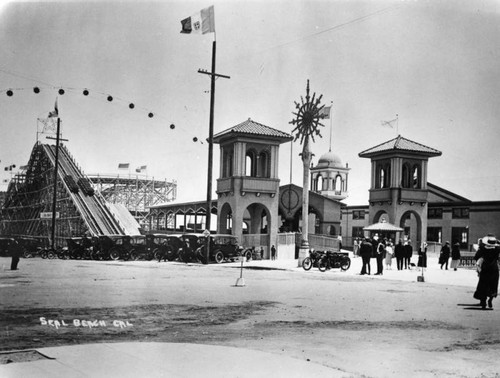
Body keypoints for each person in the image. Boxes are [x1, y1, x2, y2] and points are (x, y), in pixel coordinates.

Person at [473, 235, 500, 309]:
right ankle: (490, 300)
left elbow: (476, 257)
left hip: (485, 269)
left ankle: (483, 302)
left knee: (483, 285)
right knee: (493, 285)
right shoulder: (497, 249)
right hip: (494, 269)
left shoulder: (483, 249)